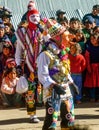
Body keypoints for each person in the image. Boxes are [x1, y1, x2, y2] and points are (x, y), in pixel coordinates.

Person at [36, 19, 79, 130]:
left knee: (69, 118)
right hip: (52, 91)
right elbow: (42, 75)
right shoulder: (45, 55)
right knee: (52, 121)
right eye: (66, 35)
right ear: (57, 37)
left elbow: (64, 70)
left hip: (65, 89)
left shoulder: (62, 52)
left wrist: (72, 83)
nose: (69, 38)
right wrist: (54, 85)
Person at [15, 8, 43, 123]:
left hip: (43, 64)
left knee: (47, 90)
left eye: (37, 16)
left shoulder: (44, 30)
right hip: (29, 66)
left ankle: (51, 112)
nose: (35, 19)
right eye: (33, 16)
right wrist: (17, 64)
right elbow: (18, 51)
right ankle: (32, 115)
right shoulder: (22, 33)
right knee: (30, 91)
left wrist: (44, 33)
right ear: (28, 18)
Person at [84, 33, 99, 102]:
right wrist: (88, 67)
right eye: (91, 39)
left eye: (94, 39)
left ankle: (98, 97)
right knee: (92, 84)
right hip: (92, 68)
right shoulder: (89, 48)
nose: (92, 40)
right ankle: (92, 97)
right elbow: (87, 59)